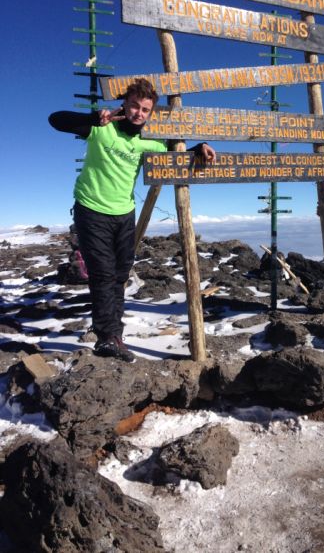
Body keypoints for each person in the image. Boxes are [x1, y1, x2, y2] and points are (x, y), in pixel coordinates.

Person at [49, 78, 216, 362]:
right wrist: (93, 118)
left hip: (125, 214)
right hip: (91, 210)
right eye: (134, 106)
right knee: (102, 273)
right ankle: (107, 337)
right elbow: (56, 120)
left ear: (150, 114)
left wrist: (198, 147)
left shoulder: (147, 142)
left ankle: (114, 333)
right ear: (124, 105)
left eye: (145, 109)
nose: (139, 113)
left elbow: (176, 157)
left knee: (120, 274)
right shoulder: (101, 130)